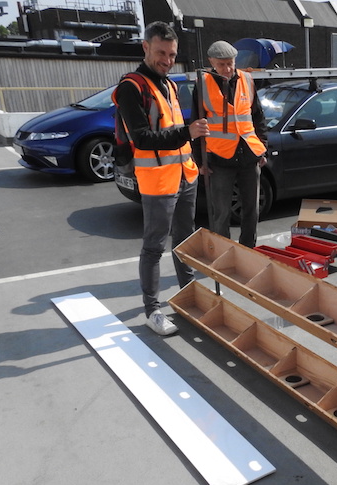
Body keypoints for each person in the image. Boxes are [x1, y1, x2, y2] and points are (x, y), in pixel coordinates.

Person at [114, 21, 209, 336]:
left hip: (184, 175)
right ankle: (152, 310)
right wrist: (188, 131)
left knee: (185, 240)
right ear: (145, 47)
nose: (167, 60)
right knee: (154, 246)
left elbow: (173, 130)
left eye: (171, 54)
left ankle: (189, 295)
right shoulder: (131, 86)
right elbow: (141, 138)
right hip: (157, 181)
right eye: (161, 53)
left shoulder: (169, 85)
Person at [192, 40, 268, 246]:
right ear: (211, 62)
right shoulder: (202, 84)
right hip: (219, 159)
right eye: (221, 64)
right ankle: (224, 254)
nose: (227, 69)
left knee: (251, 211)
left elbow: (258, 117)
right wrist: (201, 162)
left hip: (249, 154)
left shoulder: (247, 80)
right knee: (221, 213)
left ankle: (248, 251)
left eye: (230, 63)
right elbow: (196, 125)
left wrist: (262, 148)